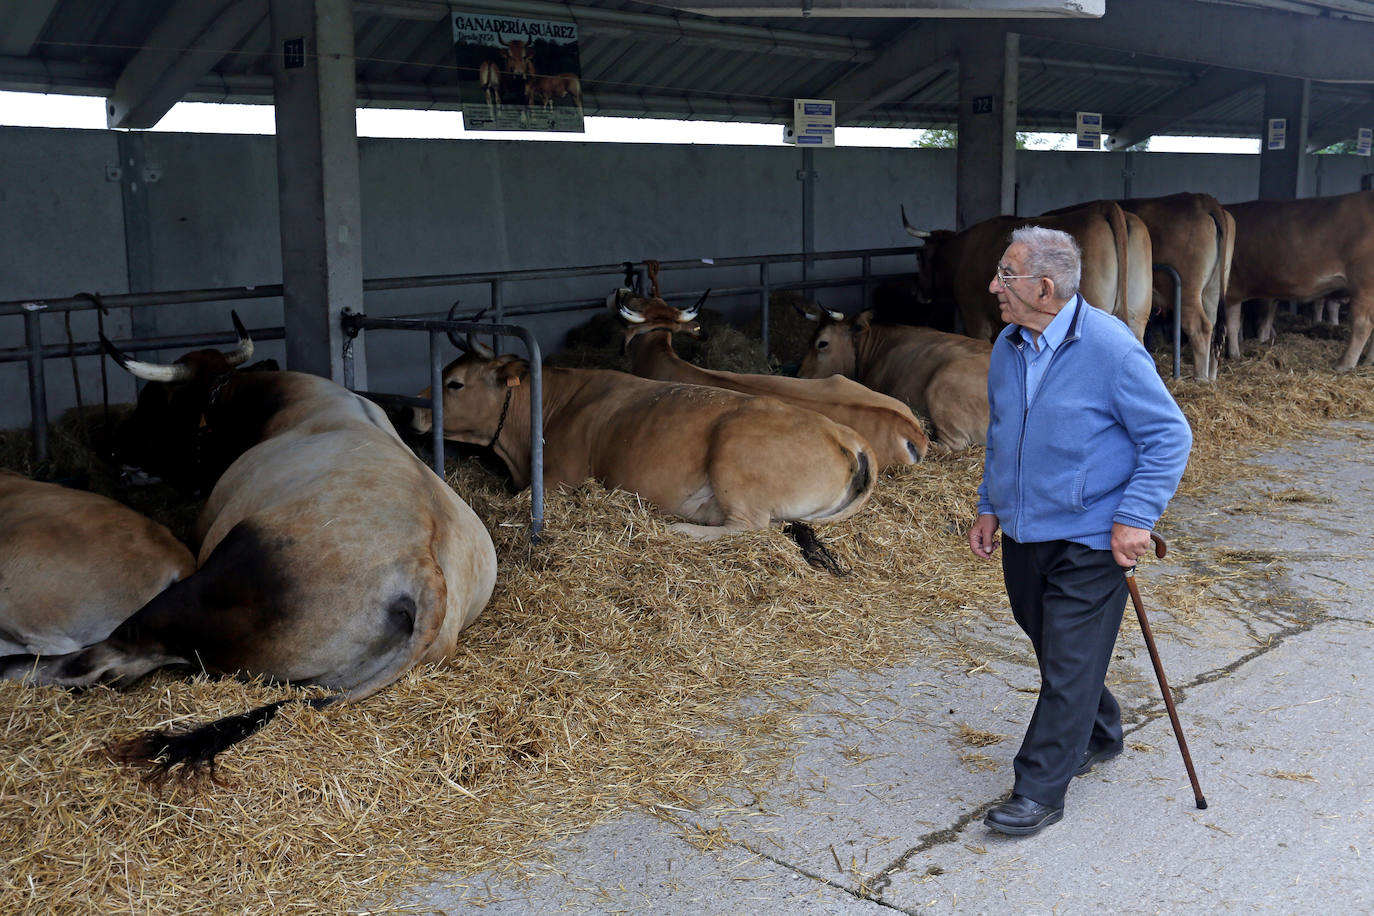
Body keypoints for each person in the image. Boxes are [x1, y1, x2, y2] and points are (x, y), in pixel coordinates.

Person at [967, 226, 1192, 837]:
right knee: (1051, 643)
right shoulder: (1009, 344)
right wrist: (990, 503)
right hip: (1024, 529)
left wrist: (1135, 518)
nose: (993, 287)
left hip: (1094, 536)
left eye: (1004, 277)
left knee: (1066, 662)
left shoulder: (1110, 348)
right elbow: (1001, 434)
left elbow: (1169, 437)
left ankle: (1039, 789)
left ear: (1044, 288)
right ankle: (1099, 731)